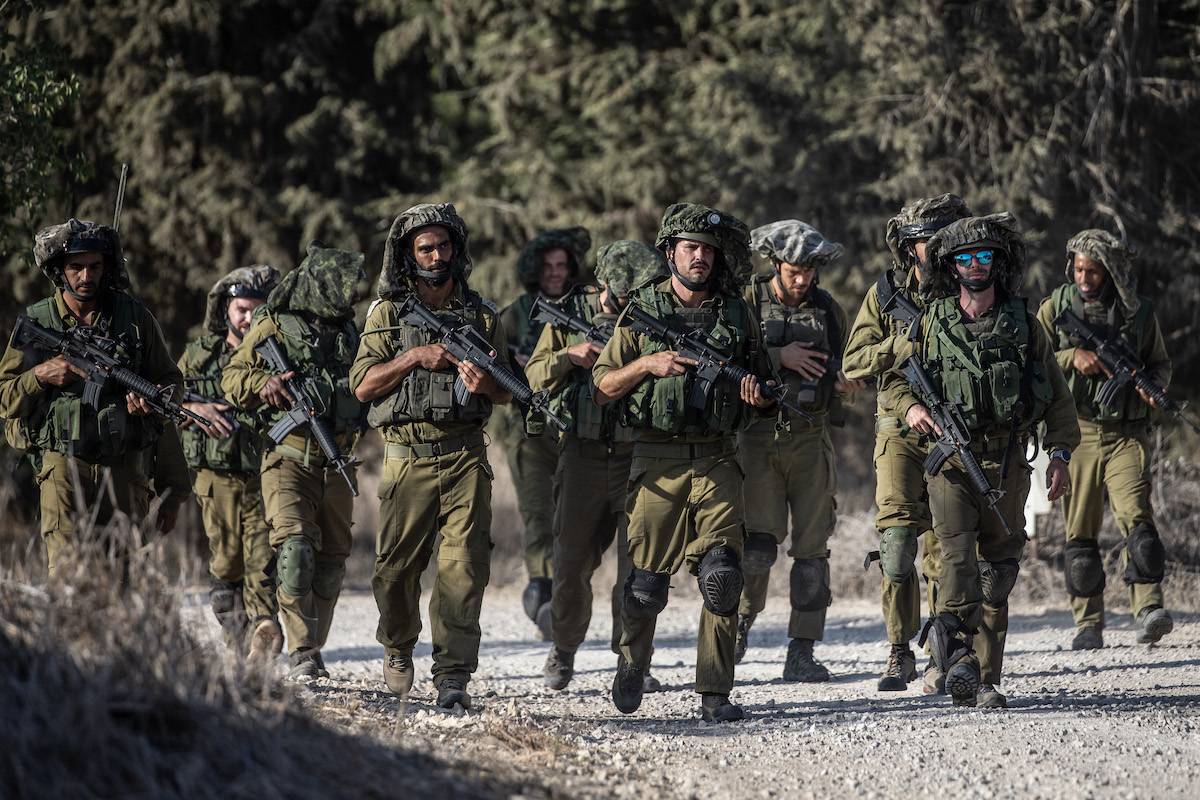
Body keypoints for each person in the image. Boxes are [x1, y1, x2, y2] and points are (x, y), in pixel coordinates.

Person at [593, 202, 775, 723]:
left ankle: (715, 694)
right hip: (657, 458)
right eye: (690, 248)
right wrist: (647, 364)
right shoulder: (642, 311)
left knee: (723, 576)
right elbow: (603, 387)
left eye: (708, 251)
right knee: (646, 586)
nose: (700, 258)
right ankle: (631, 663)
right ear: (671, 252)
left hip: (718, 456)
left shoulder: (736, 312)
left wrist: (756, 395)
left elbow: (761, 384)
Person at [895, 213, 1079, 708]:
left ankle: (987, 675)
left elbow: (1058, 400)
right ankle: (959, 664)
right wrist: (911, 407)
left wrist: (1059, 456)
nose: (975, 265)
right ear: (952, 268)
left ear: (997, 264)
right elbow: (894, 380)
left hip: (1009, 463)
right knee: (955, 560)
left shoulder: (1025, 322)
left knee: (998, 572)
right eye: (965, 258)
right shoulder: (931, 322)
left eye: (984, 257)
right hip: (951, 465)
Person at [351, 203, 512, 711]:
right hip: (408, 455)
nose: (437, 255)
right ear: (408, 254)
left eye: (443, 246)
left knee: (463, 570)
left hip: (466, 456)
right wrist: (414, 356)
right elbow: (362, 386)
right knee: (395, 573)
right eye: (426, 248)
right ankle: (398, 645)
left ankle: (453, 677)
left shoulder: (482, 315)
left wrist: (487, 383)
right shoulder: (387, 316)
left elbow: (508, 388)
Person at [0, 218, 188, 573]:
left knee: (122, 578)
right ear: (60, 270)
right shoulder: (39, 321)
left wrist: (151, 402)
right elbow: (4, 397)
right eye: (76, 267)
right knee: (69, 577)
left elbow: (171, 382)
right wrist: (40, 375)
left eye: (94, 267)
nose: (86, 277)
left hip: (123, 467)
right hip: (62, 466)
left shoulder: (133, 319)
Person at [842, 194, 972, 693]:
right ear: (909, 247)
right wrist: (901, 345)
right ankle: (899, 650)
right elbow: (854, 363)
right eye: (924, 243)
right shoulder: (886, 294)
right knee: (897, 547)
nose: (932, 251)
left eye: (940, 242)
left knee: (946, 545)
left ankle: (944, 648)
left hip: (951, 428)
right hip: (897, 428)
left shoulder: (968, 288)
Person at [526, 239, 667, 693]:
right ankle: (563, 650)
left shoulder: (651, 314)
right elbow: (532, 375)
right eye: (621, 294)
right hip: (583, 454)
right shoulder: (571, 313)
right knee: (570, 565)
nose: (627, 302)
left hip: (637, 456)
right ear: (604, 283)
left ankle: (633, 662)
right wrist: (570, 356)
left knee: (638, 570)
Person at [222, 243, 365, 680]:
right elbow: (232, 379)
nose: (346, 293)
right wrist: (263, 382)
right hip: (287, 459)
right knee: (295, 552)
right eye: (338, 285)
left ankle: (311, 641)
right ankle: (304, 651)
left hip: (337, 459)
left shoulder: (350, 335)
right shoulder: (273, 325)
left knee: (331, 564)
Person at [733, 219, 861, 681]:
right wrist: (777, 357)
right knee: (757, 547)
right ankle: (739, 624)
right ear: (775, 264)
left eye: (809, 271)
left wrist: (847, 383)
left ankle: (802, 650)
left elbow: (843, 364)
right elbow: (725, 358)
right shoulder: (746, 302)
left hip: (810, 440)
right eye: (793, 271)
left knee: (812, 553)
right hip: (757, 439)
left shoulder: (827, 310)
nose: (802, 280)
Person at [1036, 229, 1174, 649]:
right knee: (1079, 532)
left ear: (1110, 272)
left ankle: (1148, 608)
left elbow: (1159, 365)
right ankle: (1088, 622)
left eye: (1093, 271)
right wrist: (1070, 357)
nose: (1085, 278)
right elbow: (1030, 357)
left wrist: (1150, 389)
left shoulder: (1138, 313)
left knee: (1138, 520)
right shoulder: (1057, 306)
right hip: (1077, 433)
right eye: (1079, 269)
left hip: (1126, 435)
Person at [178, 264, 283, 660]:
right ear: (226, 310)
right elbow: (162, 400)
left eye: (258, 309)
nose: (249, 317)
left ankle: (264, 629)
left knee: (262, 558)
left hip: (265, 475)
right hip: (215, 478)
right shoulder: (199, 356)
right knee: (226, 561)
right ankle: (236, 636)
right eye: (242, 308)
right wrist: (195, 408)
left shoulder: (276, 353)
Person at [498, 227, 591, 639]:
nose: (555, 273)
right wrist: (515, 362)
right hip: (530, 432)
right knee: (538, 515)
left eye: (562, 266)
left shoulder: (585, 307)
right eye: (548, 266)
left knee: (574, 519)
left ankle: (566, 597)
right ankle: (543, 593)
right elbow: (491, 366)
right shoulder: (516, 312)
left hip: (576, 431)